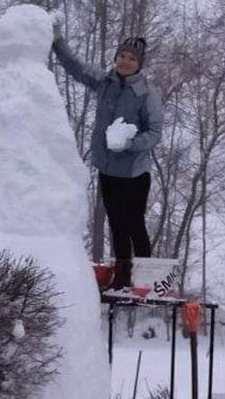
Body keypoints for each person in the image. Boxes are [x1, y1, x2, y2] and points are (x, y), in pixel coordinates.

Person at [51, 17, 164, 289]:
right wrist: (57, 41)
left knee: (135, 223)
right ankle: (122, 276)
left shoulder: (147, 93)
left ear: (139, 64)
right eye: (122, 56)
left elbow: (154, 132)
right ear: (116, 58)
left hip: (135, 172)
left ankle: (146, 279)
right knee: (116, 224)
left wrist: (128, 143)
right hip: (107, 169)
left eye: (131, 59)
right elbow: (76, 67)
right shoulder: (105, 82)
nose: (125, 62)